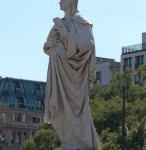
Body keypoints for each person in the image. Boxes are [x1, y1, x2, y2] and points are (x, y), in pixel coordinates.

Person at [43, 0, 101, 149]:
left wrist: (67, 36)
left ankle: (81, 143)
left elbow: (88, 44)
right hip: (60, 74)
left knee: (77, 109)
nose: (59, 2)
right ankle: (68, 141)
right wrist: (48, 45)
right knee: (62, 107)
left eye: (62, 0)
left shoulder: (81, 22)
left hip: (76, 75)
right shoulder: (58, 24)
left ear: (71, 2)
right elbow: (47, 45)